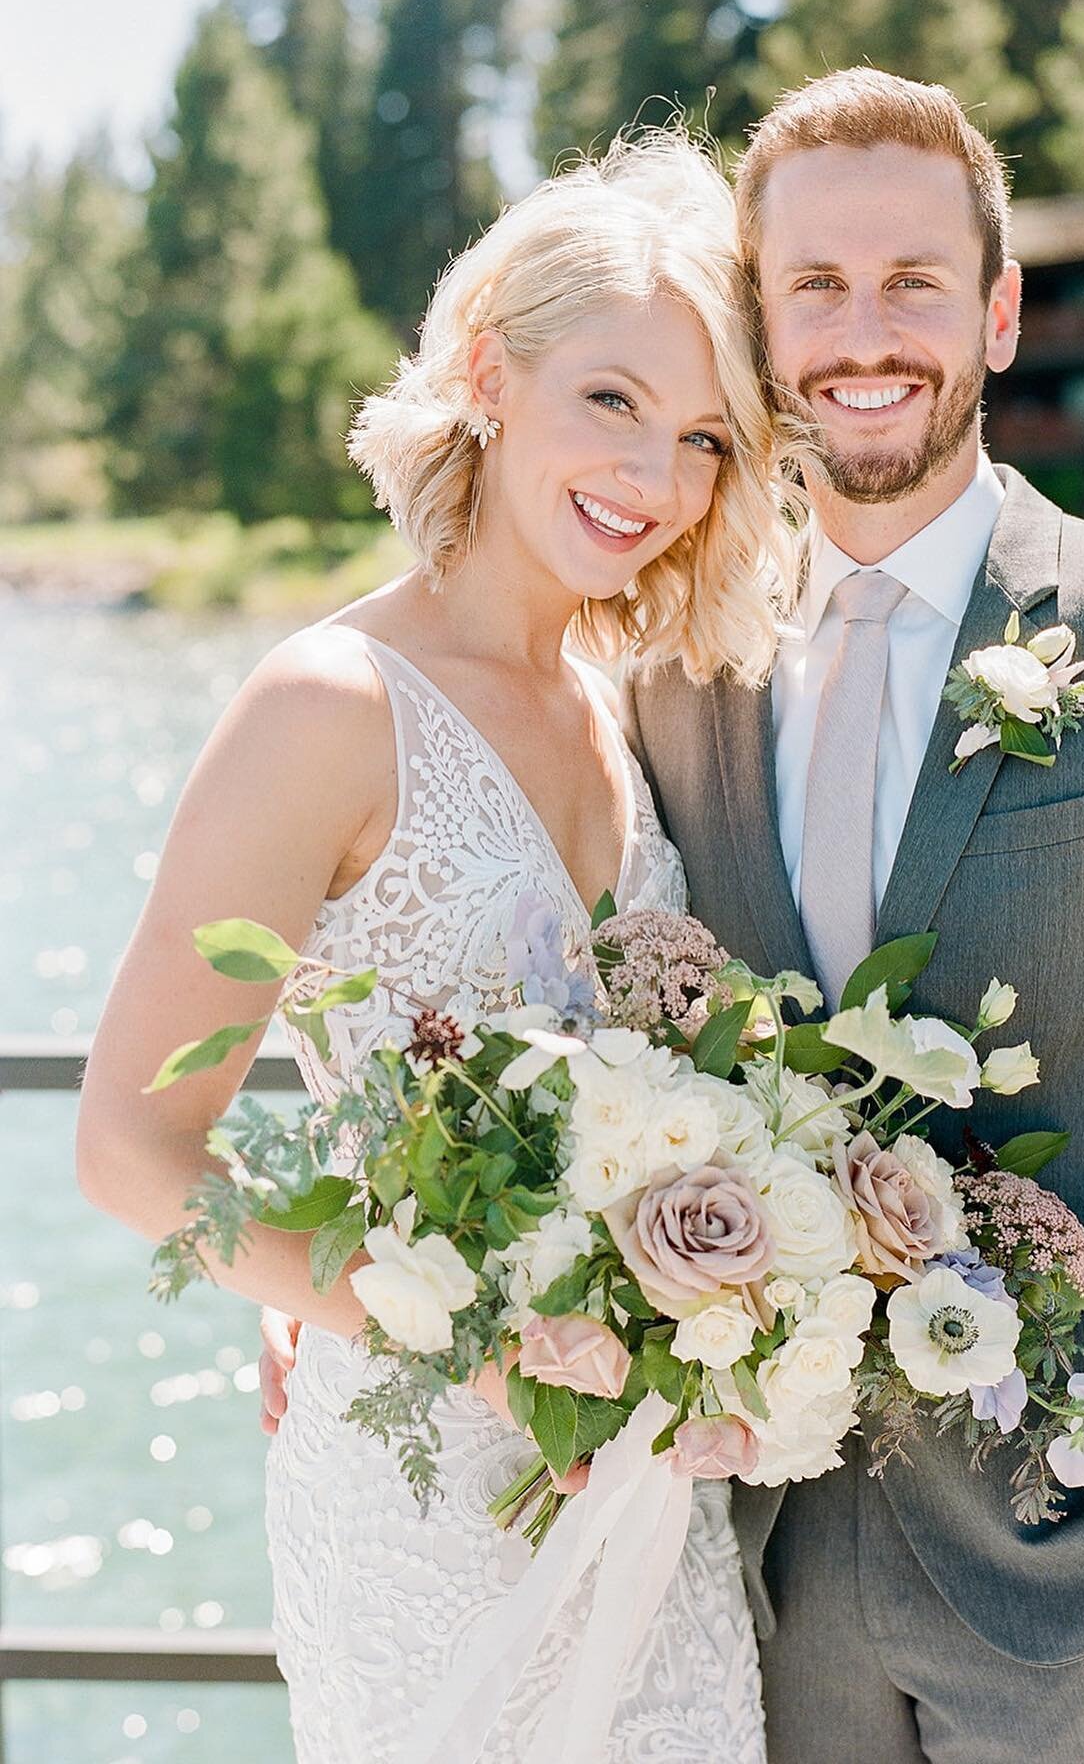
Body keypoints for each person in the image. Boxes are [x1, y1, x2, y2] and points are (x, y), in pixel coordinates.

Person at [618, 69, 1084, 1762]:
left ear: (999, 313)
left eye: (913, 283)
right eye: (814, 285)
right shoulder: (676, 664)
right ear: (757, 319)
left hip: (1071, 1564)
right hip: (756, 1566)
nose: (863, 334)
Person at [76, 132, 802, 1764]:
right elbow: (129, 1150)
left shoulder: (629, 712)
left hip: (638, 1491)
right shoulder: (324, 709)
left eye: (699, 438)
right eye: (610, 401)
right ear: (489, 369)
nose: (656, 479)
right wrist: (445, 1336)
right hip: (416, 1496)